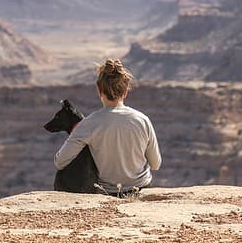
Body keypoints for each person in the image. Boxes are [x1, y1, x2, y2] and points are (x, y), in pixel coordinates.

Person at [54, 59, 161, 195]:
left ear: (99, 91)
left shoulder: (88, 124)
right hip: (142, 189)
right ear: (125, 92)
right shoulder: (142, 120)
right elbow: (156, 164)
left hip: (108, 193)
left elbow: (60, 162)